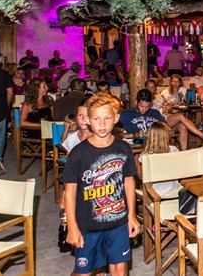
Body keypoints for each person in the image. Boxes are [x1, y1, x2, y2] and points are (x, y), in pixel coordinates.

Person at [62, 94, 140, 276]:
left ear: (116, 118)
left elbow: (129, 182)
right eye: (96, 119)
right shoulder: (78, 153)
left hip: (118, 223)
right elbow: (69, 192)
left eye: (107, 118)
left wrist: (132, 215)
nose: (102, 124)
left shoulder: (123, 148)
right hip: (88, 226)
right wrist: (72, 227)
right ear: (88, 120)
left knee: (120, 268)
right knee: (84, 271)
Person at [150, 76, 203, 149]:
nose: (151, 89)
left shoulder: (159, 97)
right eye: (149, 87)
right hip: (159, 120)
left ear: (155, 88)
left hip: (168, 116)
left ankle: (183, 151)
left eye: (153, 87)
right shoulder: (146, 98)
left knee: (183, 127)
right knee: (180, 116)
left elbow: (168, 106)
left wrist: (167, 107)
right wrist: (161, 110)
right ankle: (200, 134)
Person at [139, 122, 180, 196]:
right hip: (174, 192)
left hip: (154, 194)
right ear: (166, 135)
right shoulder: (174, 150)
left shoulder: (144, 155)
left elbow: (143, 178)